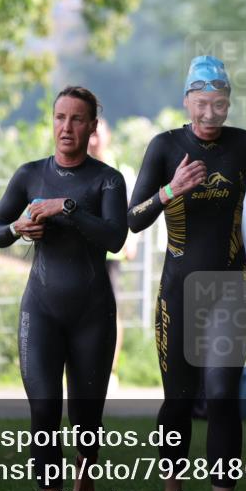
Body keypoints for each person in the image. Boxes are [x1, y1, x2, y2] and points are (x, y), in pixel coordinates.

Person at [127, 55, 246, 491]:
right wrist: (169, 190)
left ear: (228, 104)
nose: (210, 114)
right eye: (201, 103)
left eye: (219, 104)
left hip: (231, 290)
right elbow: (132, 220)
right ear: (187, 102)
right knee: (177, 402)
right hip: (178, 294)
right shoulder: (164, 147)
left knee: (221, 397)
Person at [0, 86, 127, 491]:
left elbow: (115, 237)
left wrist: (64, 208)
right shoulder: (29, 175)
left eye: (77, 119)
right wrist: (17, 226)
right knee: (44, 411)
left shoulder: (107, 180)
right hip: (41, 312)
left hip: (92, 314)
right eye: (60, 118)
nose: (66, 128)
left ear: (92, 127)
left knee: (85, 418)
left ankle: (88, 459)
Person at [87, 118, 139, 389]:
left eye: (98, 134)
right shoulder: (79, 168)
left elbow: (133, 209)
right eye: (90, 135)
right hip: (85, 252)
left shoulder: (122, 171)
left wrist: (132, 241)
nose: (93, 140)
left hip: (112, 255)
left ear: (107, 136)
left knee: (110, 312)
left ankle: (110, 371)